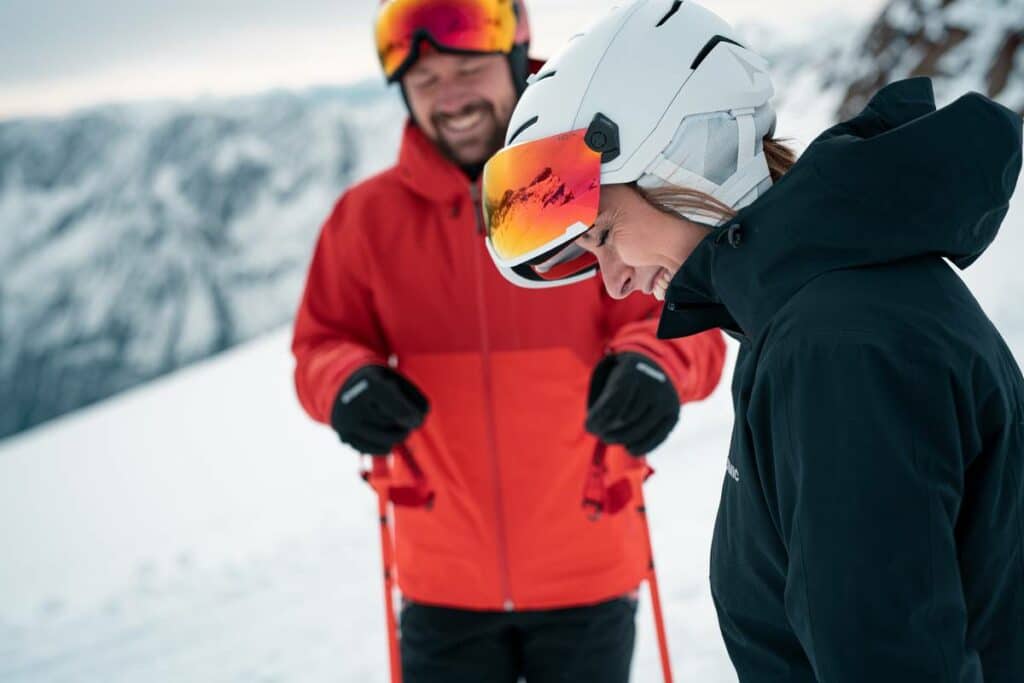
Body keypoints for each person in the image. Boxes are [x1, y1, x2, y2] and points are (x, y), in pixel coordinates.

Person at [481, 1, 1024, 681]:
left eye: (604, 235)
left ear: (677, 158)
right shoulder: (826, 305)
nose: (614, 283)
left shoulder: (837, 344)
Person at [291, 1, 726, 680]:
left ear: (515, 61)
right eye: (427, 81)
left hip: (588, 570)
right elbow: (321, 342)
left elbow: (681, 315)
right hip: (442, 584)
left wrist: (654, 368)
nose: (451, 97)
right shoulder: (366, 221)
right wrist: (346, 382)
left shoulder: (589, 190)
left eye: (466, 68)